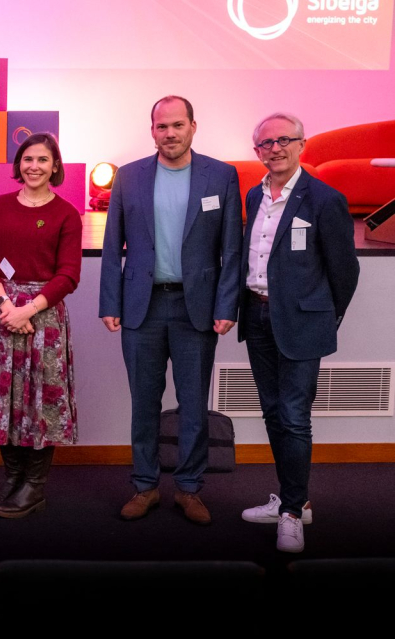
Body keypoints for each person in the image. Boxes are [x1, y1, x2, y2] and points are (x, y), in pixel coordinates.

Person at [99, 96, 242, 525]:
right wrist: (110, 302)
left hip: (196, 308)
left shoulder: (221, 175)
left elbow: (231, 249)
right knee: (144, 402)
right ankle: (144, 486)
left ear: (193, 127)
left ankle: (189, 488)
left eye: (178, 125)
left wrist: (227, 304)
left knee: (193, 404)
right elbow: (113, 247)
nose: (170, 133)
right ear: (152, 131)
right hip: (141, 307)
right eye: (162, 126)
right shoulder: (129, 176)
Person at [238, 113, 359, 553]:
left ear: (301, 144)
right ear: (257, 151)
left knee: (293, 416)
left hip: (303, 321)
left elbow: (345, 271)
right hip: (257, 316)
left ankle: (290, 514)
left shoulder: (325, 199)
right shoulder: (254, 195)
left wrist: (325, 316)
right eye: (266, 143)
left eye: (284, 140)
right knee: (273, 413)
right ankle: (296, 500)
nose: (276, 149)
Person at [0, 133, 82, 519]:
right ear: (19, 164)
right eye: (27, 159)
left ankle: (34, 487)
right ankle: (13, 480)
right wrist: (6, 305)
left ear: (55, 166)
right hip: (3, 314)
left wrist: (28, 311)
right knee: (5, 399)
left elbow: (69, 274)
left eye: (42, 160)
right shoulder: (0, 206)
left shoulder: (66, 213)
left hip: (44, 319)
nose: (34, 166)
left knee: (41, 401)